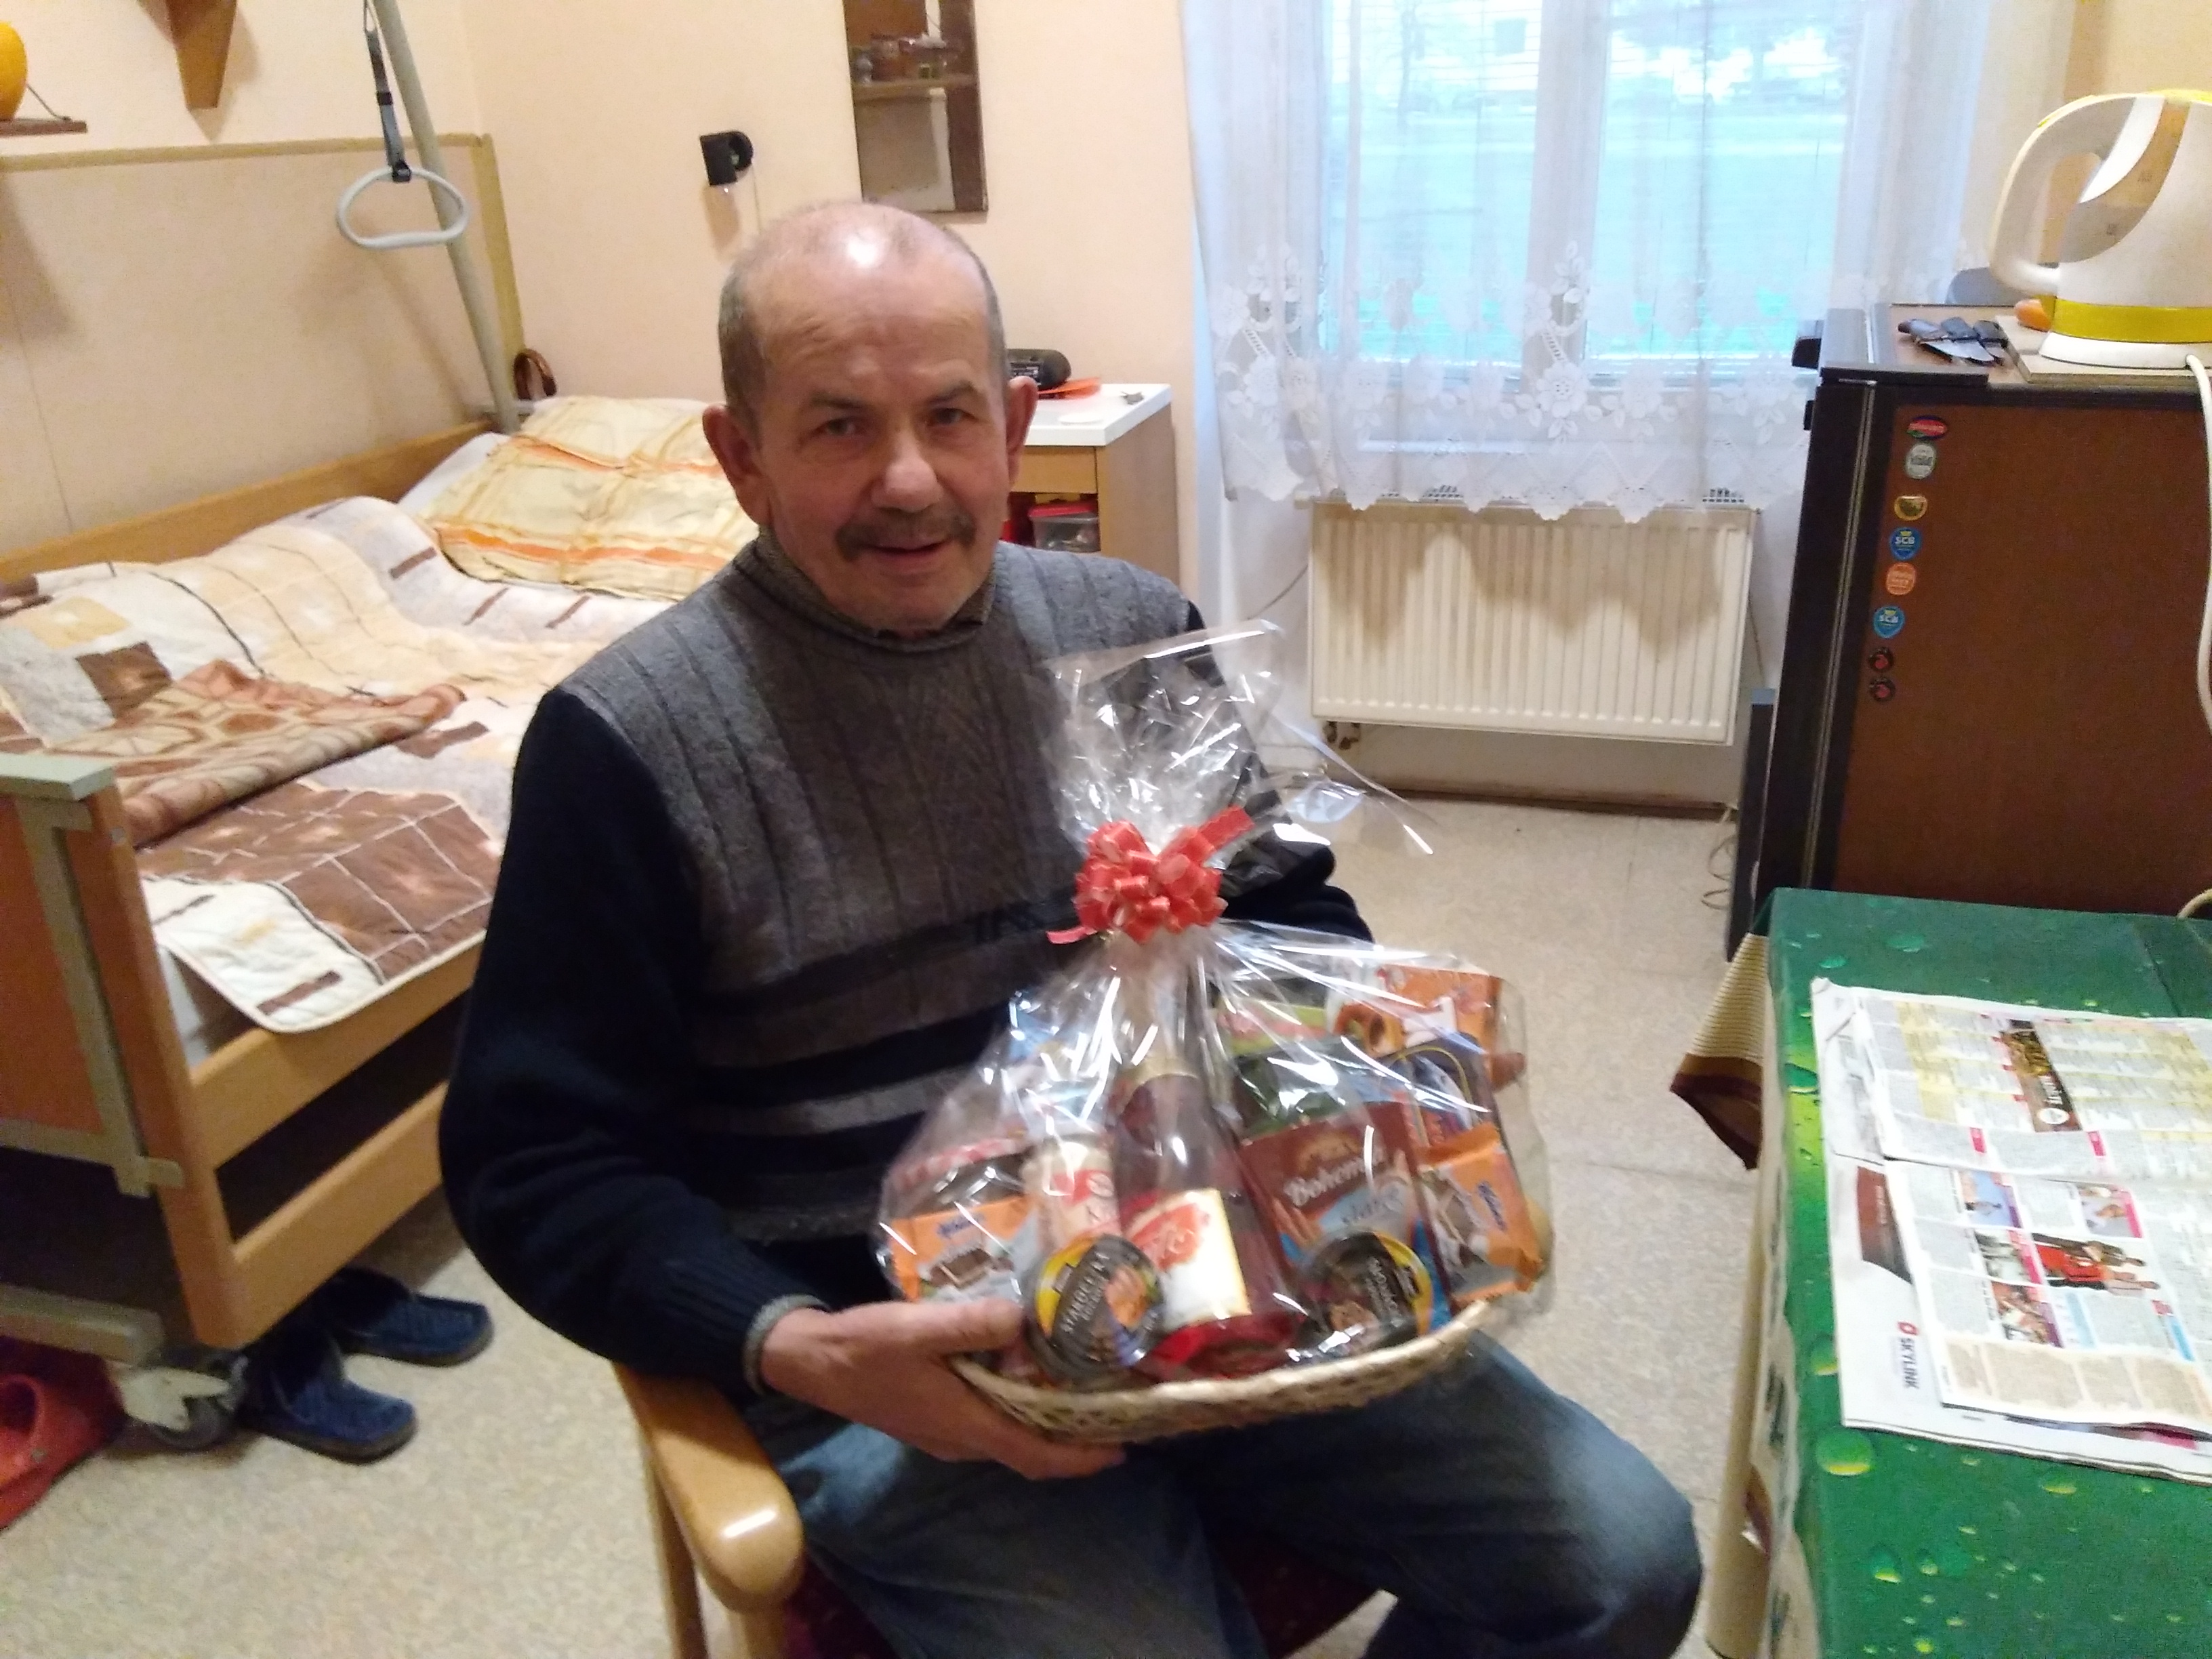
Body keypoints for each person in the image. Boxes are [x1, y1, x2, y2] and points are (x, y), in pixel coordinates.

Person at [441, 201, 1700, 1659]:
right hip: (911, 1365)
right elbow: (535, 1162)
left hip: (1235, 1267)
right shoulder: (627, 744)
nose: (910, 481)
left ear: (1016, 427)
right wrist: (795, 1346)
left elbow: (1281, 911)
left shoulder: (1129, 630)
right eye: (840, 426)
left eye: (949, 416)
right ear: (741, 457)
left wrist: (1383, 1044)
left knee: (1625, 1563)